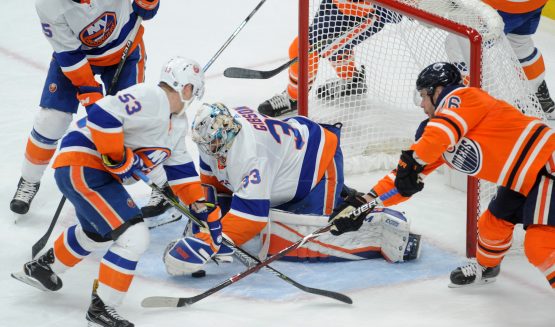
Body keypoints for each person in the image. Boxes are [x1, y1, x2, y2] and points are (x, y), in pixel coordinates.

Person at [11, 57, 212, 327]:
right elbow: (101, 114)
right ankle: (101, 309)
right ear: (186, 88)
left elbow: (182, 172)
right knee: (134, 236)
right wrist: (116, 156)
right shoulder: (151, 96)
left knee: (96, 232)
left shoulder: (176, 123)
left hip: (95, 174)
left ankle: (43, 267)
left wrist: (202, 209)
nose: (192, 96)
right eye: (192, 89)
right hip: (83, 164)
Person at [329, 61, 555, 289]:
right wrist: (365, 204)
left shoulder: (464, 96)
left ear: (437, 90)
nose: (422, 104)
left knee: (540, 246)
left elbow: (438, 135)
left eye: (423, 96)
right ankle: (487, 268)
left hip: (547, 164)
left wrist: (414, 160)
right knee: (491, 225)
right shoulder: (439, 140)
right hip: (522, 180)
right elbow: (402, 180)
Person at [162, 102, 421, 275]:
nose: (206, 150)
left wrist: (211, 243)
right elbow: (211, 186)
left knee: (294, 243)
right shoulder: (214, 134)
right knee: (233, 215)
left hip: (317, 164)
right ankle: (341, 193)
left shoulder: (252, 153)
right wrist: (204, 228)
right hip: (285, 164)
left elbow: (251, 218)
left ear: (227, 136)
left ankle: (383, 229)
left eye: (211, 145)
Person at [10, 0, 164, 216]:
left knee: (132, 122)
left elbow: (146, 10)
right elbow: (68, 54)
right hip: (79, 59)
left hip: (125, 51)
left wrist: (147, 5)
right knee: (51, 120)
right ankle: (29, 179)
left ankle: (162, 183)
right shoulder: (48, 5)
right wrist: (91, 94)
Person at [257, 0, 402, 117]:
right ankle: (352, 81)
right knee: (331, 47)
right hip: (335, 5)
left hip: (364, 14)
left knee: (304, 47)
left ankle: (294, 97)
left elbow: (398, 13)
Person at [484, 0, 555, 117]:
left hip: (503, 4)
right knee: (520, 43)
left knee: (461, 42)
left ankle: (468, 102)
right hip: (534, 3)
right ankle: (539, 100)